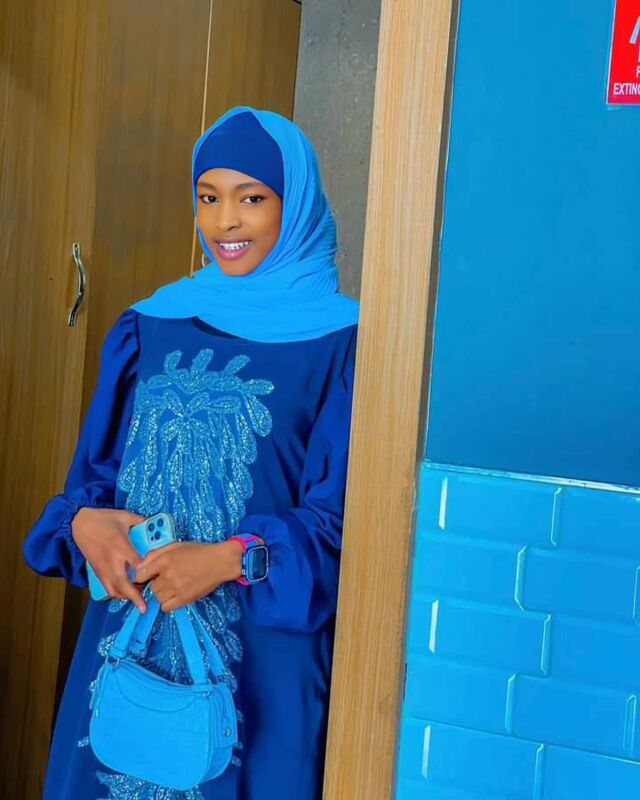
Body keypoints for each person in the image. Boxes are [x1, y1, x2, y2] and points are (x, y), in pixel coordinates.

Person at [22, 105, 359, 800]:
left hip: (263, 660)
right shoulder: (150, 324)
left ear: (294, 203)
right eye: (208, 198)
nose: (224, 222)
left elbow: (346, 526)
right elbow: (93, 484)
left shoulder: (342, 342)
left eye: (251, 199)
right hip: (130, 643)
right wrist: (83, 524)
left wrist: (230, 558)